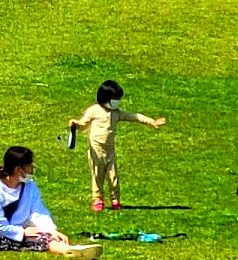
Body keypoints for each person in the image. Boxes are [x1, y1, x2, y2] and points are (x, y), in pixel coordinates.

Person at [0, 146, 91, 255]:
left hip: (17, 232)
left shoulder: (30, 186)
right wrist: (21, 232)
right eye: (29, 165)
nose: (32, 168)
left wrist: (51, 230)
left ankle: (68, 250)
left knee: (44, 237)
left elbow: (38, 211)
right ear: (18, 169)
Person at [66, 79, 166, 214]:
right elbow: (83, 125)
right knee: (97, 175)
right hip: (96, 149)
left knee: (113, 176)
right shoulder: (94, 110)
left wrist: (151, 122)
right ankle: (98, 200)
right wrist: (75, 124)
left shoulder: (117, 113)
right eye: (115, 98)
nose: (117, 101)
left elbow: (134, 116)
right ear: (105, 98)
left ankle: (115, 200)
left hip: (110, 150)